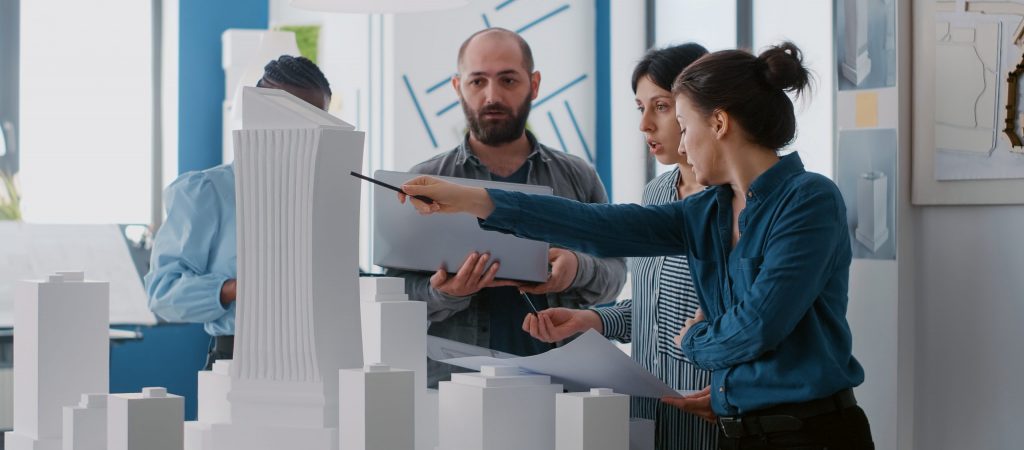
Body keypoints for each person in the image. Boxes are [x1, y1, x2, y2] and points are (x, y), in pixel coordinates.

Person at [399, 42, 875, 450]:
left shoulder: (809, 199)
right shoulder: (706, 211)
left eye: (683, 125)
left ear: (721, 123)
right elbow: (595, 225)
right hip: (739, 430)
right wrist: (468, 199)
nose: (681, 146)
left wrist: (695, 341)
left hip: (812, 434)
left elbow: (755, 329)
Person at [387, 27, 627, 387]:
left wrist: (577, 268)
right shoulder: (424, 181)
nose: (492, 96)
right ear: (457, 87)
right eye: (478, 81)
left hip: (563, 386)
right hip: (457, 388)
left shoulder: (577, 176)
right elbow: (395, 297)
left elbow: (615, 275)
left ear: (534, 84)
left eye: (508, 80)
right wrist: (445, 293)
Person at [520, 43, 716, 449]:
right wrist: (589, 320)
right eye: (639, 107)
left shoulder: (736, 203)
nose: (644, 124)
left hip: (710, 418)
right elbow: (653, 307)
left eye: (660, 107)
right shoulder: (657, 192)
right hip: (646, 417)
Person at [145, 55, 333, 370]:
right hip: (238, 362)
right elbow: (163, 295)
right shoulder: (207, 192)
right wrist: (238, 287)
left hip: (317, 360)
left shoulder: (322, 193)